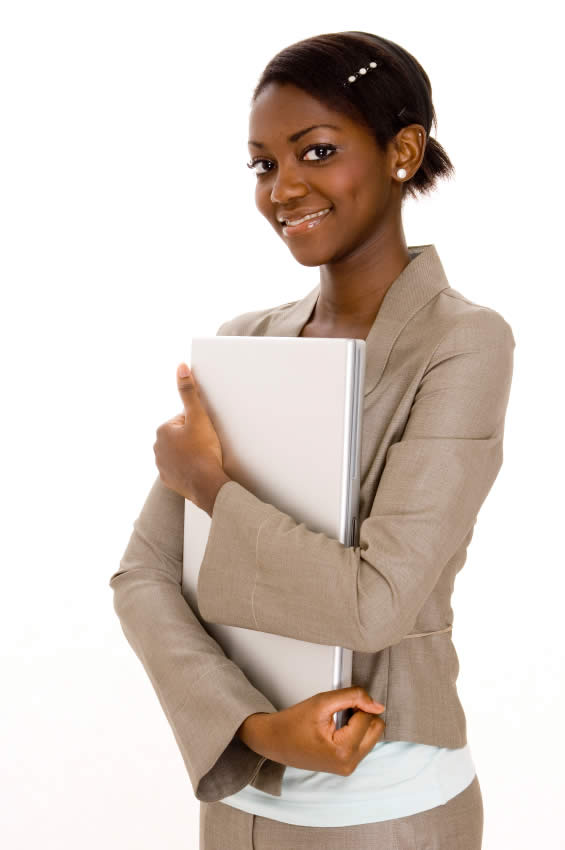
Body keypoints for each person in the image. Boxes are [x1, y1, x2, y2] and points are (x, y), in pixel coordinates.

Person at [109, 31, 515, 849]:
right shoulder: (245, 343)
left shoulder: (461, 344)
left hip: (389, 813)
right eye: (263, 165)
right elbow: (143, 577)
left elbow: (376, 604)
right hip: (240, 803)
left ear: (402, 152)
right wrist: (255, 730)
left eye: (316, 152)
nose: (283, 188)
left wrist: (211, 487)